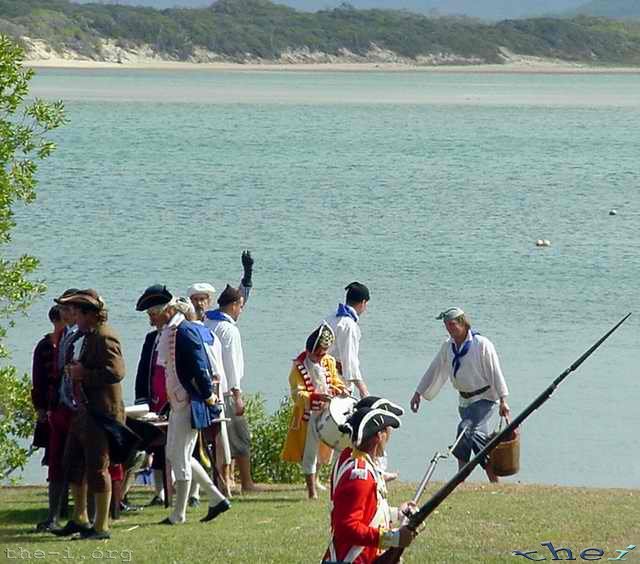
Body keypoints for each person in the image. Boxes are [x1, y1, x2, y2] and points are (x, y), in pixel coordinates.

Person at [135, 286, 231, 525]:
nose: (151, 319)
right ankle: (216, 498)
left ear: (166, 310)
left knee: (180, 455)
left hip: (190, 403)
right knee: (177, 453)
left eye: (152, 314)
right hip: (177, 403)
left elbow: (200, 367)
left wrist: (208, 395)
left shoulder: (184, 331)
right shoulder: (172, 331)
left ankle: (179, 514)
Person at [52, 289, 126, 540]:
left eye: (77, 312)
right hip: (85, 409)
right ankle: (79, 518)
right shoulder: (89, 335)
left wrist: (84, 374)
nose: (73, 317)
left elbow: (116, 372)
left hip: (102, 412)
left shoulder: (105, 337)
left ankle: (101, 525)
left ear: (91, 315)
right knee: (72, 463)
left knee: (98, 468)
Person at [410, 307, 511, 483]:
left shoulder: (481, 344)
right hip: (464, 401)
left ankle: (460, 478)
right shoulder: (448, 346)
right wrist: (418, 392)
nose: (449, 329)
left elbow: (496, 372)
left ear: (463, 323)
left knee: (464, 428)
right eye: (446, 325)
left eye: (452, 324)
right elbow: (434, 369)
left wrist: (503, 400)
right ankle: (493, 479)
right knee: (475, 438)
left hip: (485, 398)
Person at [322, 401, 416, 563]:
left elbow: (370, 513)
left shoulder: (361, 465)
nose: (389, 436)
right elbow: (346, 528)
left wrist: (398, 514)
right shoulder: (360, 476)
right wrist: (392, 538)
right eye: (387, 431)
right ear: (379, 436)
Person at [280, 323, 347, 499]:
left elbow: (335, 381)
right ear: (309, 350)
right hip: (308, 415)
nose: (320, 357)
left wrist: (340, 389)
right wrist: (315, 398)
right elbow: (298, 394)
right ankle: (311, 491)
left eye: (323, 353)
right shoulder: (298, 367)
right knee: (309, 452)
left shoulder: (329, 361)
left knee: (326, 450)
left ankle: (317, 480)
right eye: (317, 353)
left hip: (328, 412)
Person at [204, 284, 260, 493]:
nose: (241, 311)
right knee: (240, 436)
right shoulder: (229, 330)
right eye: (240, 306)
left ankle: (228, 480)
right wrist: (237, 394)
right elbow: (232, 365)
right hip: (227, 390)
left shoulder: (208, 322)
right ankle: (247, 482)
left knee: (220, 439)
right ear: (234, 306)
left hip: (210, 390)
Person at [31, 305, 66, 531]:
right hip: (52, 406)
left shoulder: (69, 341)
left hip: (65, 405)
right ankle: (57, 508)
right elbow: (39, 379)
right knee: (54, 458)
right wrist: (41, 408)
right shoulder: (45, 346)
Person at [325, 282, 370, 399]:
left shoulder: (330, 317)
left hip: (321, 378)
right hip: (339, 384)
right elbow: (349, 362)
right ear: (363, 303)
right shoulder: (349, 325)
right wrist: (363, 389)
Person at [187, 249, 254, 321]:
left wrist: (248, 273)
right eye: (195, 299)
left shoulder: (214, 318)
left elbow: (237, 301)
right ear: (190, 302)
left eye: (202, 299)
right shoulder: (184, 320)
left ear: (209, 301)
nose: (199, 303)